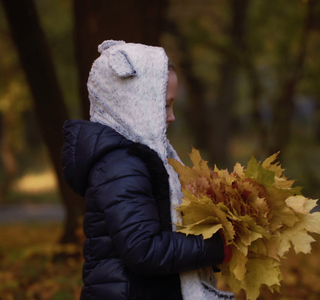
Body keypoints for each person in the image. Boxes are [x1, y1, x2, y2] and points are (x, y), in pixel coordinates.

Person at [61, 40, 234, 300]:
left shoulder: (144, 156)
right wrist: (215, 247)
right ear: (133, 102)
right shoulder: (120, 164)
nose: (171, 116)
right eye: (163, 105)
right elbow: (143, 249)